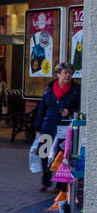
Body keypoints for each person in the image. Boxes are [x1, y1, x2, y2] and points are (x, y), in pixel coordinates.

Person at [35, 62, 80, 191]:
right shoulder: (49, 88)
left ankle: (60, 183)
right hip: (48, 124)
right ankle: (46, 179)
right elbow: (42, 107)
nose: (68, 75)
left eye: (70, 73)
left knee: (61, 154)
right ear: (58, 74)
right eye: (65, 73)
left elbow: (79, 107)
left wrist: (70, 112)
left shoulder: (75, 90)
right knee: (44, 152)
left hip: (64, 126)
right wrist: (38, 125)